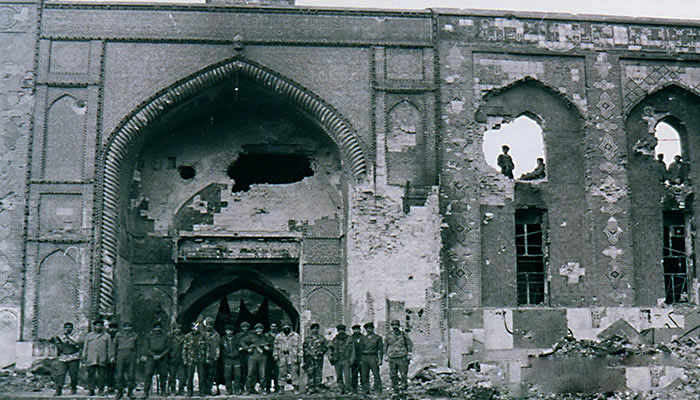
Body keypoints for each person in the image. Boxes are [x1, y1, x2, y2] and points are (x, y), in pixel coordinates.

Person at [51, 322, 82, 396]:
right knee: (60, 374)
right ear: (64, 328)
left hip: (73, 357)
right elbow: (58, 346)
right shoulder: (61, 336)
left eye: (69, 327)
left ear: (72, 328)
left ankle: (73, 387)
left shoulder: (76, 336)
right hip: (63, 357)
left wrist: (69, 338)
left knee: (73, 374)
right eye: (66, 327)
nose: (68, 329)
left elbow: (78, 344)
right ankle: (59, 389)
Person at [82, 319, 111, 396]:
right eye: (97, 325)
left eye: (100, 325)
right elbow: (85, 346)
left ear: (103, 326)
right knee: (91, 375)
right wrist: (84, 355)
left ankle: (101, 390)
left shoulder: (107, 336)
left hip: (102, 358)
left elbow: (109, 348)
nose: (98, 327)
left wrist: (109, 357)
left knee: (101, 375)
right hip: (91, 358)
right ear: (94, 326)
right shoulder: (89, 335)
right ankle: (91, 390)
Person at [142, 321, 170, 398]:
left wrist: (161, 355)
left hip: (162, 357)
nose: (157, 329)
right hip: (151, 357)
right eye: (156, 328)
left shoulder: (165, 336)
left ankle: (163, 391)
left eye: (159, 327)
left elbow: (168, 348)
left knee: (163, 374)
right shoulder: (149, 336)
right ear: (153, 328)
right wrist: (153, 355)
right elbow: (146, 347)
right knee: (148, 374)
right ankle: (146, 392)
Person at [384, 319, 413, 393]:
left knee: (403, 373)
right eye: (393, 325)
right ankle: (395, 388)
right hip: (392, 357)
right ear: (391, 326)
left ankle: (404, 388)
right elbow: (385, 346)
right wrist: (386, 355)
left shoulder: (403, 334)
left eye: (396, 325)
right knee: (393, 374)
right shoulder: (388, 335)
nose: (395, 327)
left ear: (399, 326)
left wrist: (409, 353)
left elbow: (409, 344)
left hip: (402, 357)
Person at [241, 322, 270, 394]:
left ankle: (262, 388)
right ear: (255, 330)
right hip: (253, 356)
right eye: (257, 329)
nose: (259, 330)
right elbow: (242, 341)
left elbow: (270, 344)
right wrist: (247, 348)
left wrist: (267, 347)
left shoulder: (265, 336)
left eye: (260, 329)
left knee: (262, 374)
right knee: (250, 373)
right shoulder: (251, 337)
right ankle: (249, 389)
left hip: (262, 356)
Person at [112, 321, 138, 400]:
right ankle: (119, 392)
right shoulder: (118, 335)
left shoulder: (135, 335)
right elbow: (114, 346)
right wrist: (113, 356)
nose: (127, 329)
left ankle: (130, 392)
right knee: (119, 375)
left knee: (131, 375)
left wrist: (137, 357)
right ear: (123, 328)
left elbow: (137, 347)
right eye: (125, 327)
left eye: (129, 327)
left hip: (131, 355)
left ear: (131, 328)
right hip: (120, 355)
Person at [274, 323, 301, 393]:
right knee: (282, 372)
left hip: (293, 356)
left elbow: (300, 347)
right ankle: (281, 388)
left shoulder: (296, 336)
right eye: (284, 327)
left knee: (294, 372)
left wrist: (300, 356)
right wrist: (275, 355)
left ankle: (295, 388)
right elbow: (275, 347)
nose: (286, 328)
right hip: (282, 356)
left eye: (287, 327)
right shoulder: (278, 336)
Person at [183, 322, 207, 397]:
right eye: (194, 327)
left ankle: (202, 392)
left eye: (197, 327)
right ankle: (189, 392)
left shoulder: (203, 336)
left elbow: (207, 348)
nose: (195, 329)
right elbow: (184, 348)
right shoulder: (187, 336)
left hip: (200, 358)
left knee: (202, 376)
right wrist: (184, 359)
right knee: (190, 376)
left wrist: (206, 358)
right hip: (190, 358)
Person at [302, 322, 328, 394]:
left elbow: (325, 347)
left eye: (316, 328)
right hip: (310, 359)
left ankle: (318, 387)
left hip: (318, 359)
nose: (315, 330)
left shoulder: (322, 338)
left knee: (318, 373)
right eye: (313, 328)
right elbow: (304, 347)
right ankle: (310, 388)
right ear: (311, 329)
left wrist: (320, 352)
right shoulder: (307, 339)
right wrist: (309, 353)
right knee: (310, 373)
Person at [330, 324, 355, 394]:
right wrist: (331, 358)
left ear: (344, 330)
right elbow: (330, 349)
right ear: (338, 331)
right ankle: (340, 388)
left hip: (346, 360)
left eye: (342, 330)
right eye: (339, 330)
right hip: (337, 360)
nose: (341, 332)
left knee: (347, 376)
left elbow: (353, 350)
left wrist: (352, 359)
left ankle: (348, 389)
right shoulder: (335, 339)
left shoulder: (349, 339)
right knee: (339, 376)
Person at [359, 322, 383, 394]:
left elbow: (381, 349)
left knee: (376, 374)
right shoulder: (363, 338)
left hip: (373, 357)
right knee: (364, 374)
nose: (368, 330)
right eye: (367, 329)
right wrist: (361, 359)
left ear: (373, 329)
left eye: (370, 328)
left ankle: (378, 389)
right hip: (364, 357)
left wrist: (380, 359)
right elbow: (360, 349)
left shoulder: (378, 338)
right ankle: (365, 389)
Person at [200, 317, 220, 396]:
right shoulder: (202, 334)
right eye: (207, 325)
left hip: (212, 357)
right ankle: (202, 391)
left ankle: (209, 389)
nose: (209, 326)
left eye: (210, 325)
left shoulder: (216, 335)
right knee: (202, 375)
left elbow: (217, 346)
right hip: (202, 357)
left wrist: (216, 356)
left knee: (211, 375)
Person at [233, 321, 252, 394]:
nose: (245, 328)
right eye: (243, 327)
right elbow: (235, 344)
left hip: (249, 354)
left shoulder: (251, 335)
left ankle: (250, 387)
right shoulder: (238, 335)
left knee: (249, 371)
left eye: (246, 327)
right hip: (240, 355)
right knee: (241, 372)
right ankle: (241, 387)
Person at [167, 326, 186, 396]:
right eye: (176, 329)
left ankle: (181, 389)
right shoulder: (170, 338)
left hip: (181, 359)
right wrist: (169, 354)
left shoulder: (184, 337)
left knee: (182, 375)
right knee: (172, 375)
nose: (177, 330)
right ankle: (173, 389)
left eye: (179, 329)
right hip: (172, 359)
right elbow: (167, 347)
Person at [266, 322, 280, 392]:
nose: (273, 328)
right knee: (268, 372)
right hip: (268, 355)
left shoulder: (280, 335)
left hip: (278, 355)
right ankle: (268, 387)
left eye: (275, 326)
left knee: (277, 372)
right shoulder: (266, 335)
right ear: (270, 327)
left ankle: (277, 387)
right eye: (272, 326)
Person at [105, 321, 118, 394]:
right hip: (108, 357)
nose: (112, 330)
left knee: (118, 373)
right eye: (111, 328)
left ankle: (119, 387)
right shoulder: (107, 336)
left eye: (114, 328)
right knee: (109, 373)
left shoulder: (118, 336)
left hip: (118, 356)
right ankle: (110, 387)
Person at [350, 324, 363, 394]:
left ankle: (364, 387)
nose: (356, 331)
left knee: (363, 374)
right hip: (354, 359)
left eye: (357, 330)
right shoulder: (350, 338)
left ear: (360, 330)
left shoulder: (363, 338)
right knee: (354, 374)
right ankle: (354, 388)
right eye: (355, 330)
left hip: (362, 358)